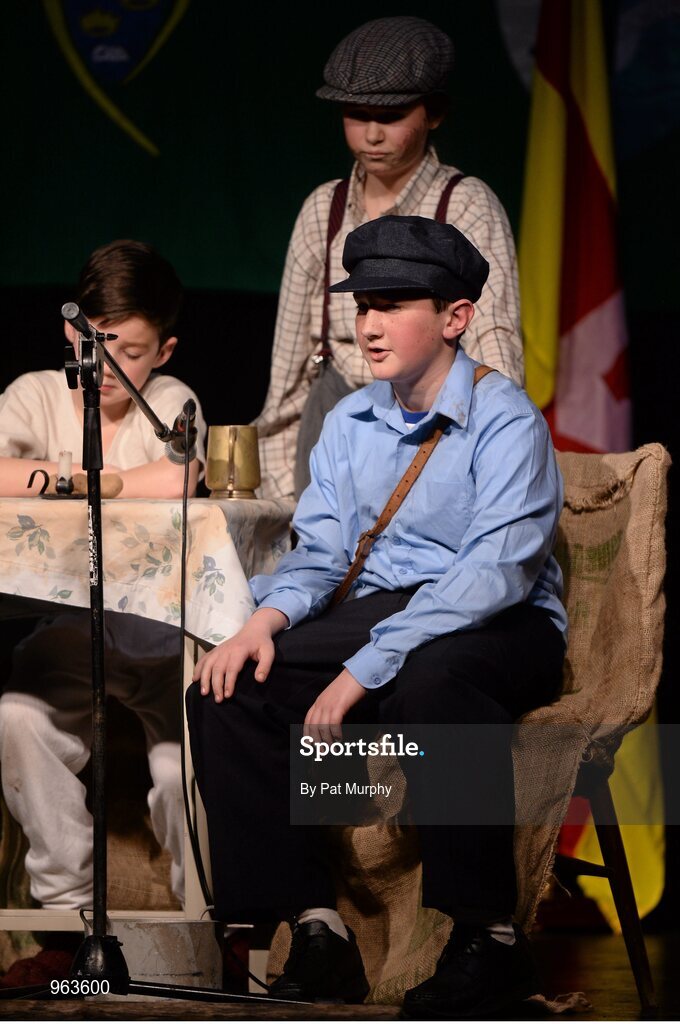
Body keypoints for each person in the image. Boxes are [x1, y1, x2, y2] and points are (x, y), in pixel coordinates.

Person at [187, 216, 567, 1016]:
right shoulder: (350, 425)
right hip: (388, 611)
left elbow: (492, 575)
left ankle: (487, 938)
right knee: (227, 686)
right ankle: (316, 928)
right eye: (363, 303)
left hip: (499, 623)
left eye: (394, 303)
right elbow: (323, 557)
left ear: (456, 317)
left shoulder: (506, 422)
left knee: (432, 679)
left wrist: (366, 667)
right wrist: (266, 619)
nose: (368, 323)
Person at [0, 240, 207, 985]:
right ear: (72, 331)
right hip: (65, 634)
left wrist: (59, 482)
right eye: (98, 341)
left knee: (183, 763)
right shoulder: (33, 395)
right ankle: (67, 932)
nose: (110, 364)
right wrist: (98, 479)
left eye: (131, 348)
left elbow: (178, 479)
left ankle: (205, 934)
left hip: (157, 637)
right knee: (19, 720)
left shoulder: (173, 398)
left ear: (165, 349)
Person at [255, 15, 524, 501]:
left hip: (432, 424)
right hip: (336, 421)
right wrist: (284, 493)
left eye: (391, 117)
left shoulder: (464, 204)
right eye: (357, 116)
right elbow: (289, 369)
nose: (372, 135)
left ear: (433, 114)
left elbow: (494, 343)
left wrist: (498, 443)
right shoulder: (325, 208)